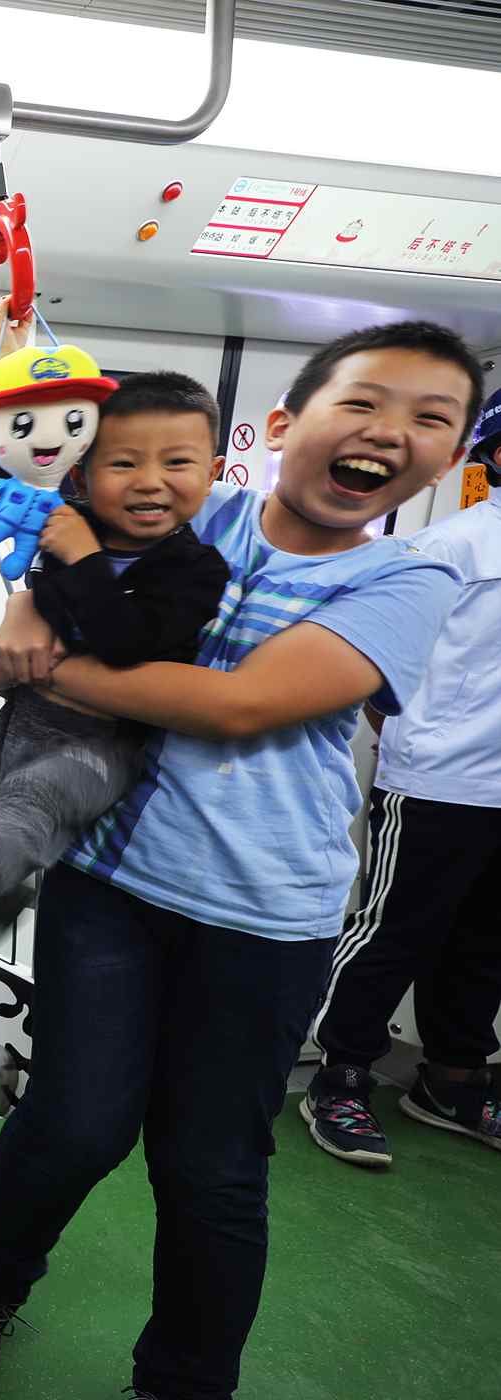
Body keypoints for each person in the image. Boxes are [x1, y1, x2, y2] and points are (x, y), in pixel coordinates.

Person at [0, 322, 481, 1400]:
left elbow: (238, 706)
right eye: (363, 402)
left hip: (266, 915)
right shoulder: (192, 507)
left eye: (429, 418)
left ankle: (183, 1380)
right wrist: (27, 605)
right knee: (71, 1125)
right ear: (284, 424)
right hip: (111, 884)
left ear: (450, 457)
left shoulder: (406, 580)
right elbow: (63, 555)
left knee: (210, 1167)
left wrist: (51, 671)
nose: (388, 432)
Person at [0, 372, 230, 924]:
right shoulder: (70, 520)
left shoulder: (197, 570)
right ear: (82, 472)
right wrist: (14, 370)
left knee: (37, 795)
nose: (149, 483)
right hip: (25, 713)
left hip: (106, 740)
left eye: (177, 463)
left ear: (212, 473)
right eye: (123, 463)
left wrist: (84, 560)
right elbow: (15, 466)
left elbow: (127, 646)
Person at [304, 390, 501, 1165]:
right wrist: (414, 739)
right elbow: (377, 660)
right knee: (394, 932)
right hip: (439, 782)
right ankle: (340, 1074)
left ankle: (452, 1079)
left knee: (485, 943)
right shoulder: (449, 546)